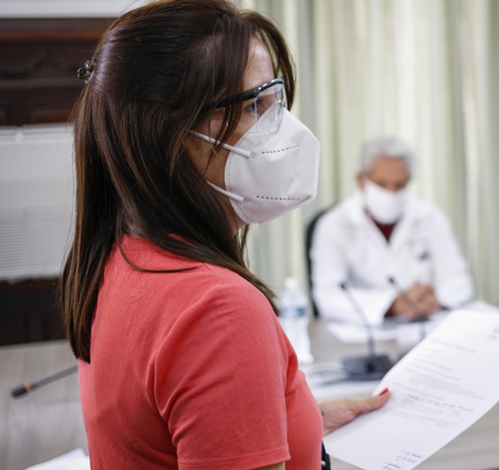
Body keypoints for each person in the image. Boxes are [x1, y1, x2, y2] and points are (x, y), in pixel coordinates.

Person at [60, 1, 387, 469]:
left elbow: (166, 431)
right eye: (256, 105)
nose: (286, 129)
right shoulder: (216, 308)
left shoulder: (120, 259)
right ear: (174, 133)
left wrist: (294, 424)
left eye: (278, 99)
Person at [310, 136, 474, 324]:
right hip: (362, 339)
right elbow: (327, 296)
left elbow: (459, 281)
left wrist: (434, 299)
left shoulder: (431, 218)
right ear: (361, 180)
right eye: (381, 184)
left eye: (399, 185)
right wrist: (392, 305)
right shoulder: (333, 224)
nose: (390, 193)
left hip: (425, 326)